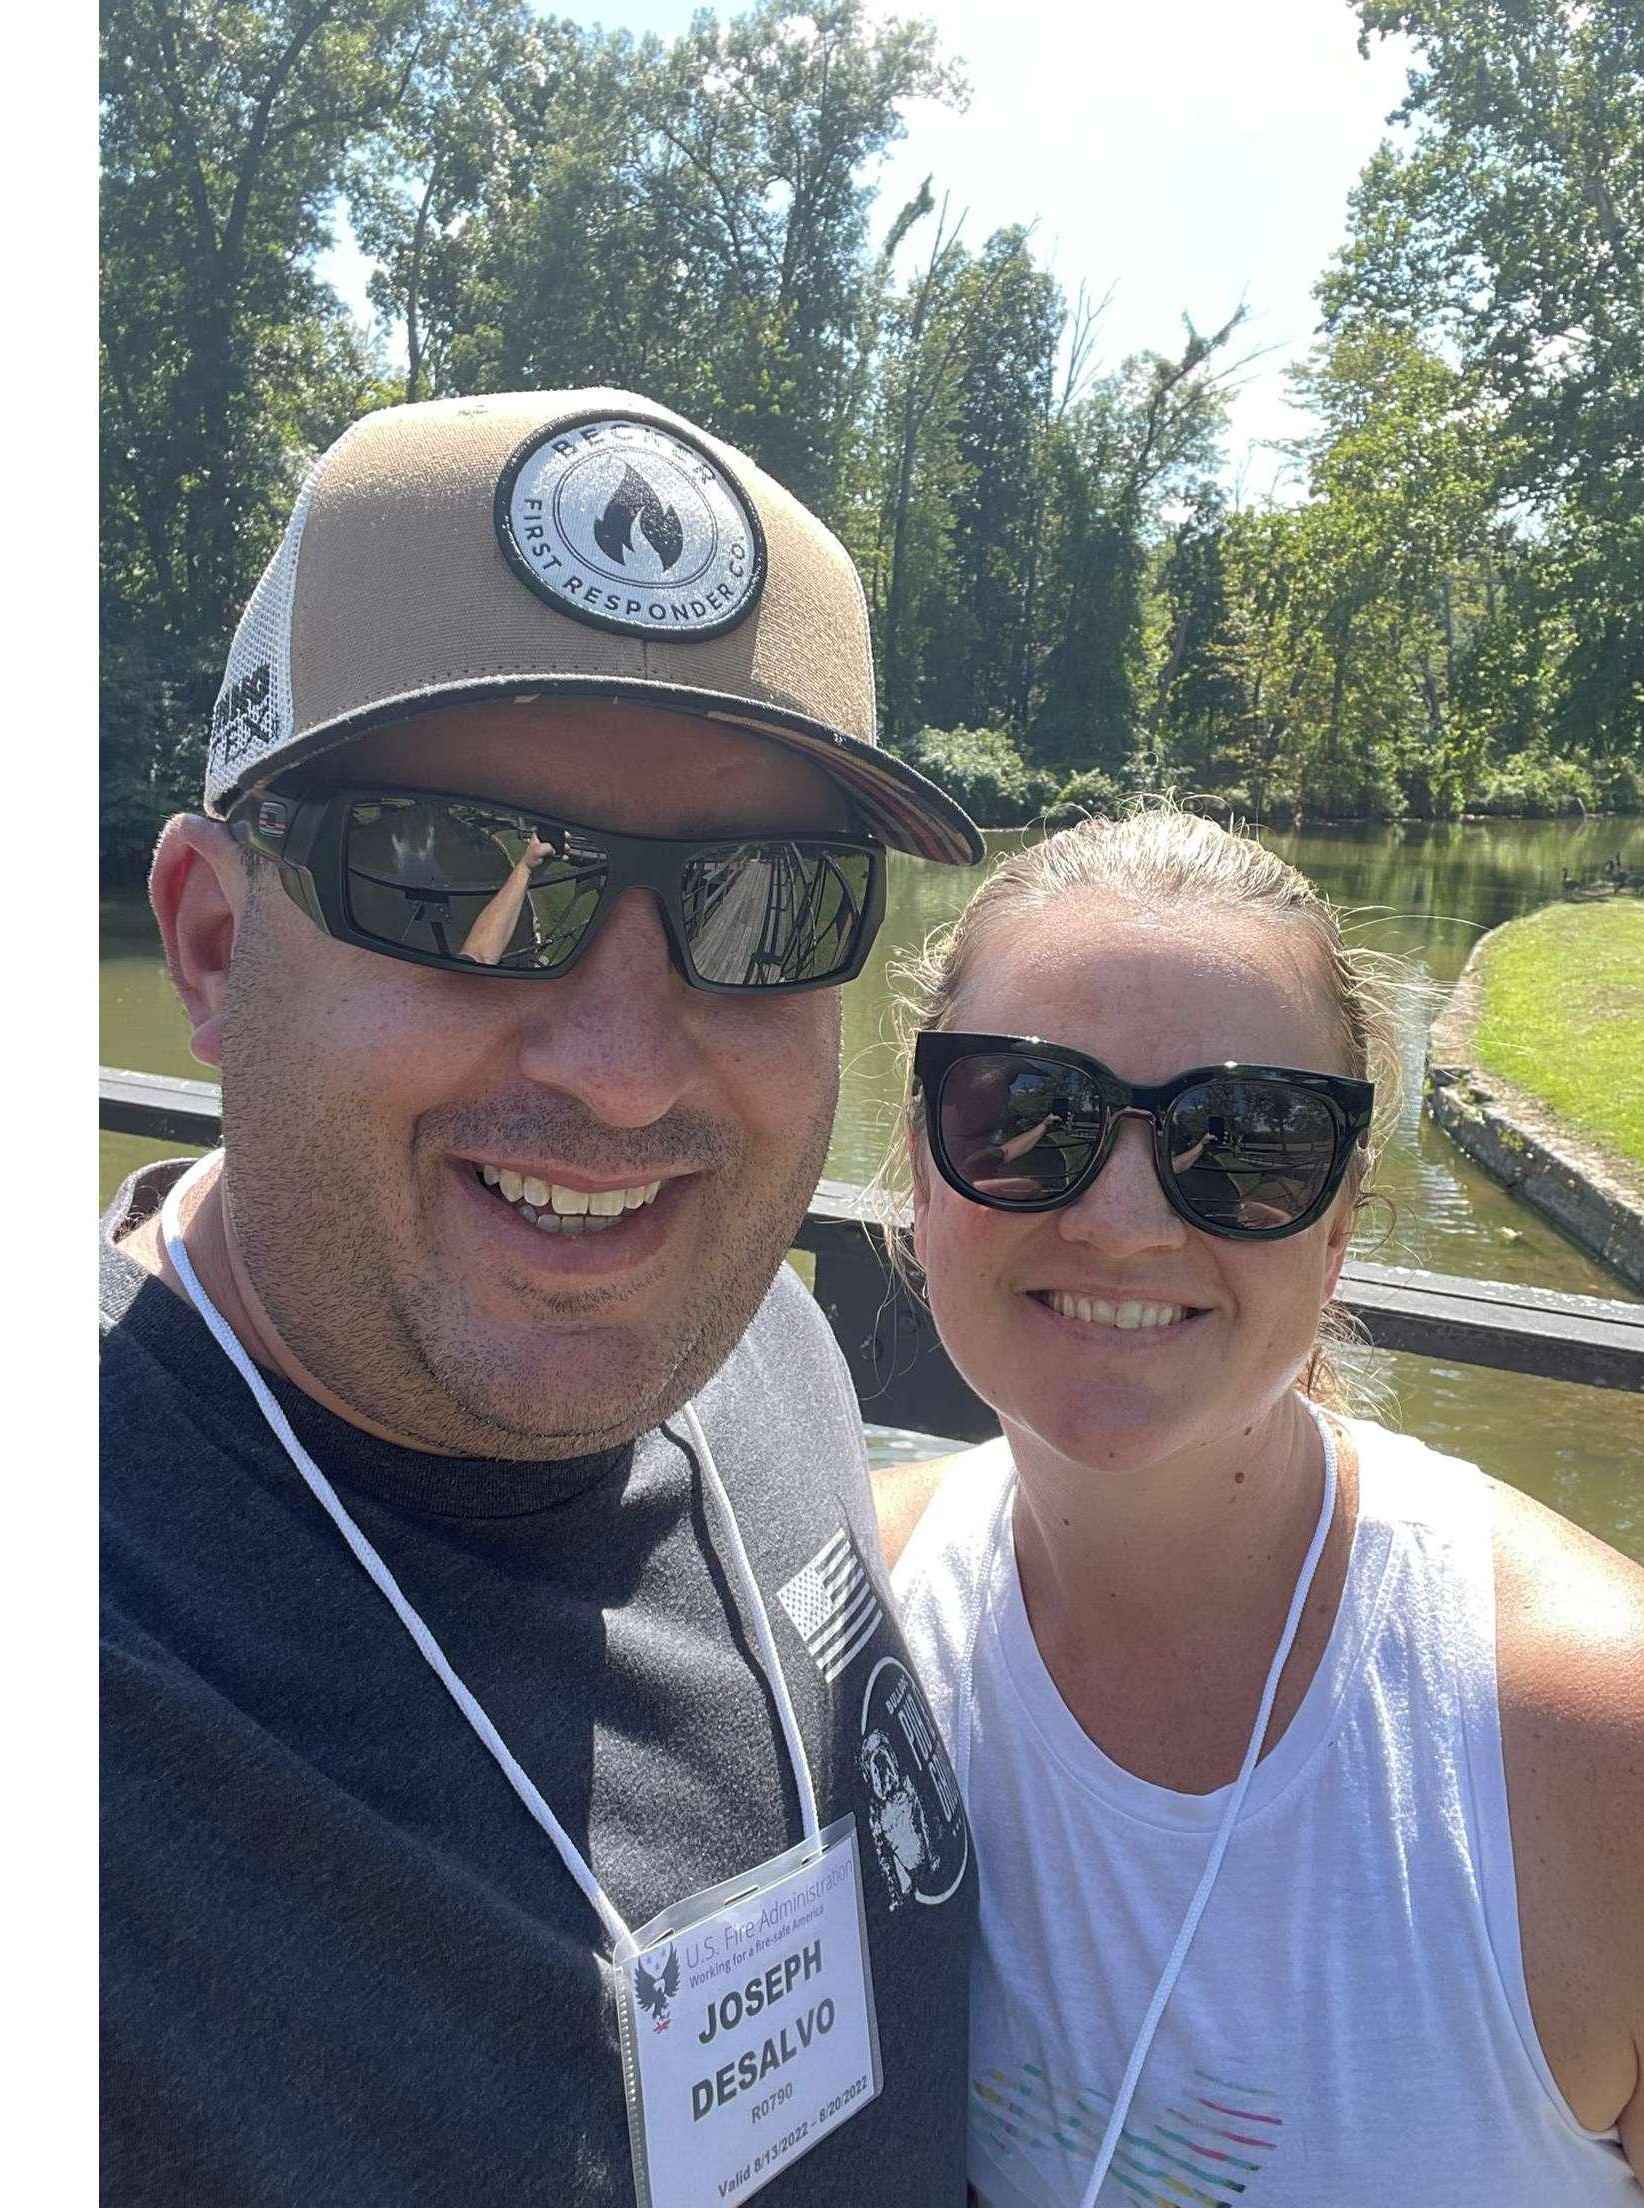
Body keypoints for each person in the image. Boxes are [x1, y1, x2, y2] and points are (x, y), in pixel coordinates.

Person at [101, 388, 987, 2206]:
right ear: (210, 943)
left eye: (764, 907)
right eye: (463, 879)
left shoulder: (765, 1351)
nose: (620, 1071)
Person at [874, 810, 1644, 2208]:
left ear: (1342, 1225)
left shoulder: (1627, 1754)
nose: (1121, 1217)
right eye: (1026, 1111)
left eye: (1246, 1144)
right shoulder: (853, 1620)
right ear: (920, 1164)